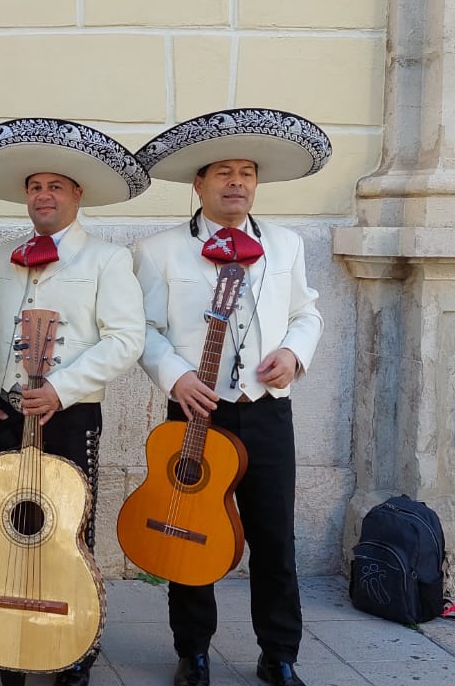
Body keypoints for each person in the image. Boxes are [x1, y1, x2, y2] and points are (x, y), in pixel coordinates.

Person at [131, 108, 330, 686]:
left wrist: (294, 353)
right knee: (189, 532)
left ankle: (280, 654)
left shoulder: (287, 245)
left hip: (266, 412)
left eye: (246, 172)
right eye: (223, 172)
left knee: (274, 536)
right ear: (198, 183)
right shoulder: (159, 250)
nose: (236, 181)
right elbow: (141, 328)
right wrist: (175, 376)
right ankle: (192, 651)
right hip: (195, 413)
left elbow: (305, 312)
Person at [0, 118, 150, 686]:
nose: (44, 195)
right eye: (35, 187)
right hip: (5, 412)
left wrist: (61, 388)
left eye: (56, 186)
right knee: (5, 525)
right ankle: (0, 629)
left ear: (77, 195)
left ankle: (73, 643)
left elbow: (125, 339)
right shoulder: (2, 255)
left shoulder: (106, 260)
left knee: (67, 529)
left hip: (70, 415)